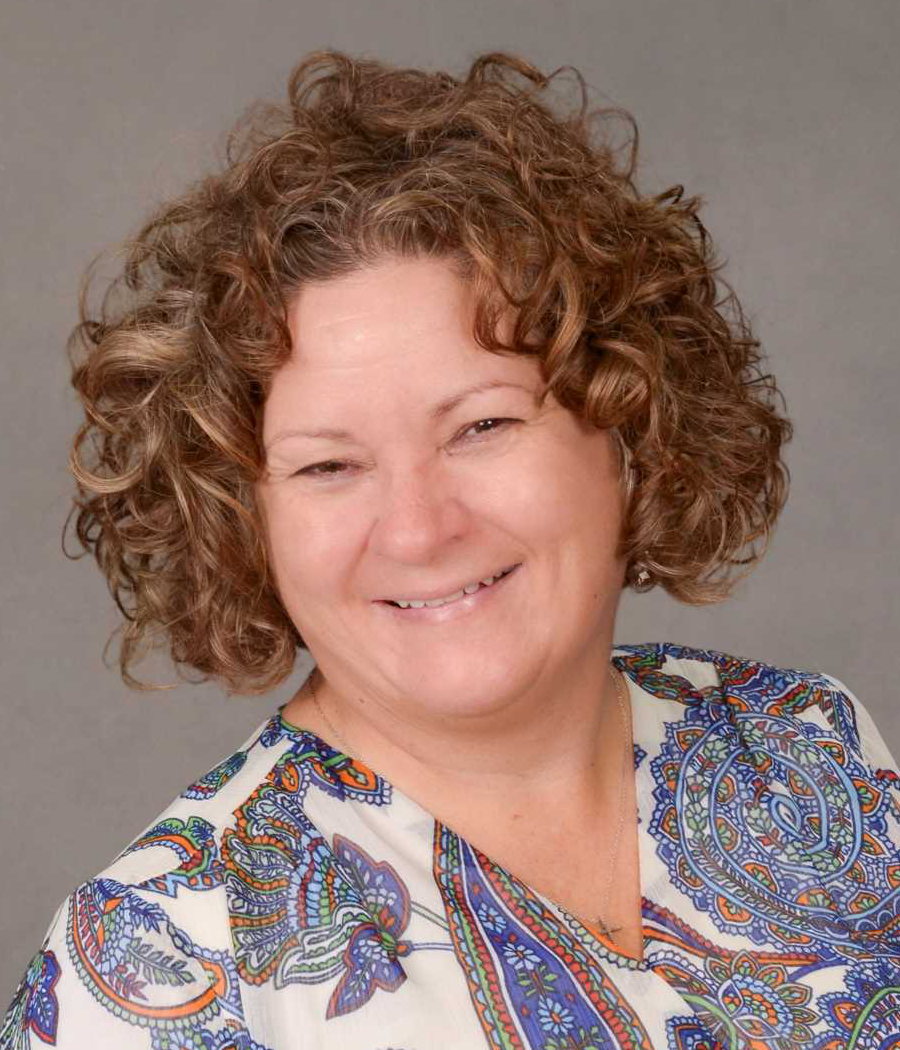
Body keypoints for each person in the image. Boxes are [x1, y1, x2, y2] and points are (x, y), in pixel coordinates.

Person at [2, 48, 899, 1050]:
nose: (422, 527)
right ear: (239, 517)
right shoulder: (154, 964)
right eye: (329, 467)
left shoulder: (803, 751)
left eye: (481, 427)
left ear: (628, 418)